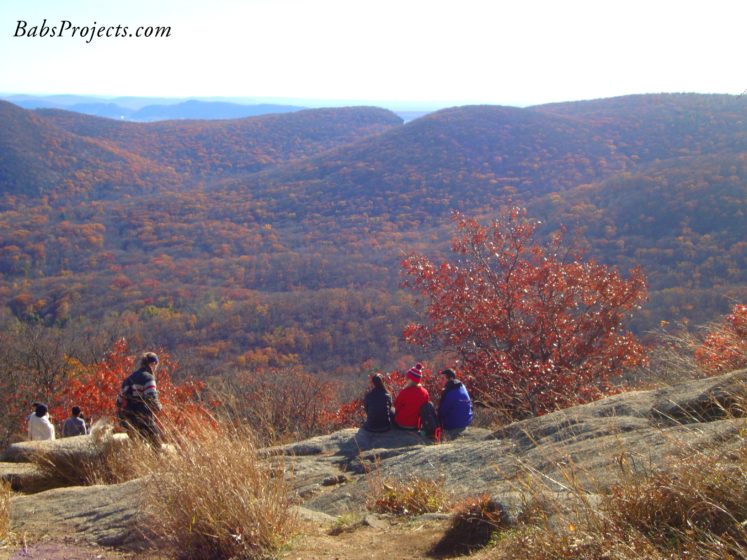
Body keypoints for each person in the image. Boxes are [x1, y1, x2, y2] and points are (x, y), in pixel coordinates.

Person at [117, 352, 163, 445]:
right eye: (156, 365)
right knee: (157, 445)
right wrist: (160, 407)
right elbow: (151, 399)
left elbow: (119, 402)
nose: (155, 369)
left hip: (127, 420)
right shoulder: (148, 378)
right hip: (143, 420)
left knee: (136, 445)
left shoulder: (128, 379)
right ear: (153, 363)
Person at [437, 368, 473, 438]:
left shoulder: (448, 392)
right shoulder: (462, 386)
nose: (440, 381)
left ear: (451, 379)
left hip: (453, 425)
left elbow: (441, 412)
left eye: (443, 379)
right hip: (467, 421)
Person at [393, 363, 430, 430]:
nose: (405, 378)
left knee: (391, 411)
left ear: (410, 379)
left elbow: (396, 406)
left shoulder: (404, 392)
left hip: (402, 423)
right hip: (416, 425)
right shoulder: (425, 392)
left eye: (407, 377)